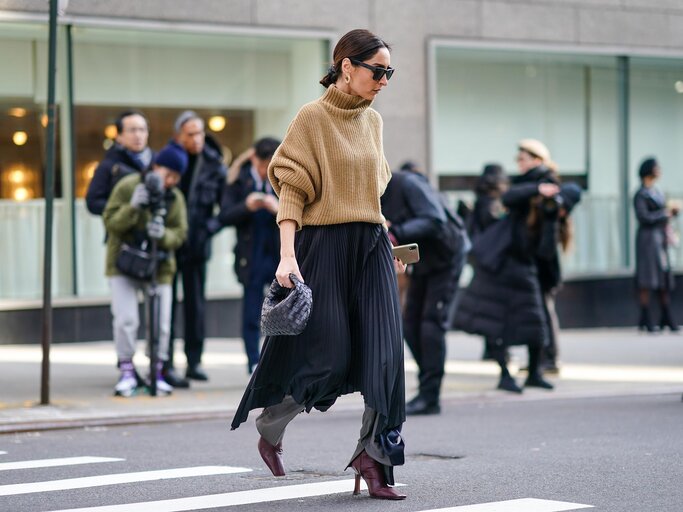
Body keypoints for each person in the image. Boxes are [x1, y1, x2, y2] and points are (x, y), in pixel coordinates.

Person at [231, 29, 407, 500]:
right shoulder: (311, 118)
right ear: (346, 65)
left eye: (389, 72)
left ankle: (372, 458)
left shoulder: (373, 122)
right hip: (323, 248)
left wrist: (387, 242)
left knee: (385, 358)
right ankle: (271, 427)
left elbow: (372, 193)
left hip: (370, 246)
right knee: (326, 358)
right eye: (378, 71)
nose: (384, 80)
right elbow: (292, 189)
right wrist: (287, 255)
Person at [454, 139, 560, 393]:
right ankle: (509, 373)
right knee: (498, 321)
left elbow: (569, 197)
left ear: (537, 160)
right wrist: (538, 189)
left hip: (518, 262)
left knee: (530, 321)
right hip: (503, 261)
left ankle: (530, 372)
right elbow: (510, 198)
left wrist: (546, 192)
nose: (518, 163)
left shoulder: (544, 185)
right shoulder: (522, 188)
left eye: (522, 158)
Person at [102, 142, 188, 397]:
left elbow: (180, 234)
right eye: (167, 173)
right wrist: (133, 207)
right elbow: (110, 223)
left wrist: (163, 235)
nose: (170, 180)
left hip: (159, 268)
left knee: (161, 323)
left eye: (176, 177)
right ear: (156, 166)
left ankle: (157, 371)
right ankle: (127, 371)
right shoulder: (128, 186)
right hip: (123, 264)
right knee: (126, 319)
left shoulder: (175, 198)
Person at [382, 160, 467, 416]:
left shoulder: (407, 183)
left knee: (431, 324)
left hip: (447, 257)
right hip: (423, 260)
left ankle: (431, 396)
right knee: (409, 325)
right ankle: (427, 384)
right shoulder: (377, 193)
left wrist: (395, 232)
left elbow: (434, 220)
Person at [165, 111, 228, 387]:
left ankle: (194, 361)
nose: (196, 139)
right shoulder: (169, 160)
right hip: (169, 243)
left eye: (199, 133)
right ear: (179, 136)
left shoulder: (215, 165)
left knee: (195, 306)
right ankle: (164, 362)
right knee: (166, 306)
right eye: (190, 134)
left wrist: (208, 229)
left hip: (197, 245)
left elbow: (225, 208)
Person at [217, 137, 281, 374]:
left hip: (277, 253)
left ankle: (277, 360)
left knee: (282, 310)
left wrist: (278, 209)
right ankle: (253, 361)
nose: (266, 172)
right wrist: (247, 206)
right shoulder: (238, 180)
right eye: (263, 165)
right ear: (254, 158)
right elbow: (224, 216)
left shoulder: (283, 178)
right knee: (251, 310)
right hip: (250, 254)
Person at [466, 163, 508, 361]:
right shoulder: (493, 202)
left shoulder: (480, 199)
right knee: (497, 307)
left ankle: (490, 348)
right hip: (495, 259)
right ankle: (497, 348)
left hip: (481, 258)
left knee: (487, 305)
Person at [633, 157, 679, 333]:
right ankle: (646, 317)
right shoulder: (641, 194)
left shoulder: (657, 191)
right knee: (648, 278)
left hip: (660, 239)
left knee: (663, 278)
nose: (659, 170)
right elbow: (643, 217)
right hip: (648, 240)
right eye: (656, 167)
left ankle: (665, 316)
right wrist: (665, 214)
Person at [86, 110, 153, 215]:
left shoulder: (157, 162)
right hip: (120, 229)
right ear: (119, 136)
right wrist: (124, 207)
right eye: (132, 130)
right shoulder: (108, 165)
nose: (138, 135)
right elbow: (93, 203)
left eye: (142, 130)